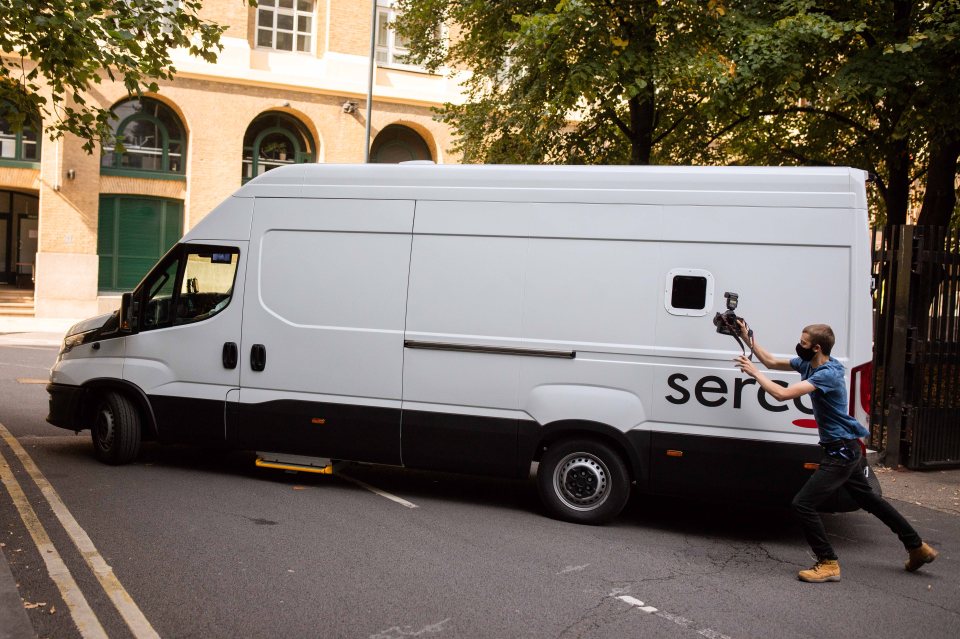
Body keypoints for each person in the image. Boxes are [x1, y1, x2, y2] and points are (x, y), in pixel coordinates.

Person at [734, 322, 937, 583]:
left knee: (803, 504)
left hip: (841, 451)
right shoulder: (809, 365)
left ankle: (828, 562)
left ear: (817, 347)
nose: (800, 346)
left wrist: (754, 373)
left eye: (804, 343)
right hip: (845, 447)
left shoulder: (827, 374)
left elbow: (782, 394)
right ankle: (918, 547)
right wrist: (746, 337)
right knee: (871, 501)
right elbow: (771, 361)